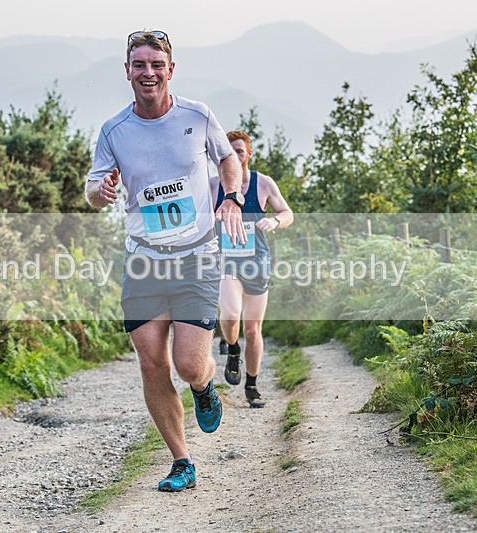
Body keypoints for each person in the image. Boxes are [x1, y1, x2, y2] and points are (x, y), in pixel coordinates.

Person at [84, 30, 245, 492]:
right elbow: (92, 188)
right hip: (144, 260)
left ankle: (203, 386)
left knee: (189, 364)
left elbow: (227, 160)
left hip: (196, 257)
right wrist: (101, 190)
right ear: (127, 71)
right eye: (139, 64)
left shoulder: (198, 114)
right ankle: (181, 460)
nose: (148, 72)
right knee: (151, 363)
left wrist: (231, 197)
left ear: (171, 69)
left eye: (157, 64)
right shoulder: (113, 130)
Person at [210, 130, 293, 408]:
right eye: (230, 151)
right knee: (231, 314)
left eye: (239, 151)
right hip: (227, 261)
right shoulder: (214, 185)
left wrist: (275, 221)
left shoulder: (263, 183)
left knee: (254, 330)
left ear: (248, 154)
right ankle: (233, 349)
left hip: (257, 262)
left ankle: (252, 386)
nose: (235, 156)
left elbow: (287, 213)